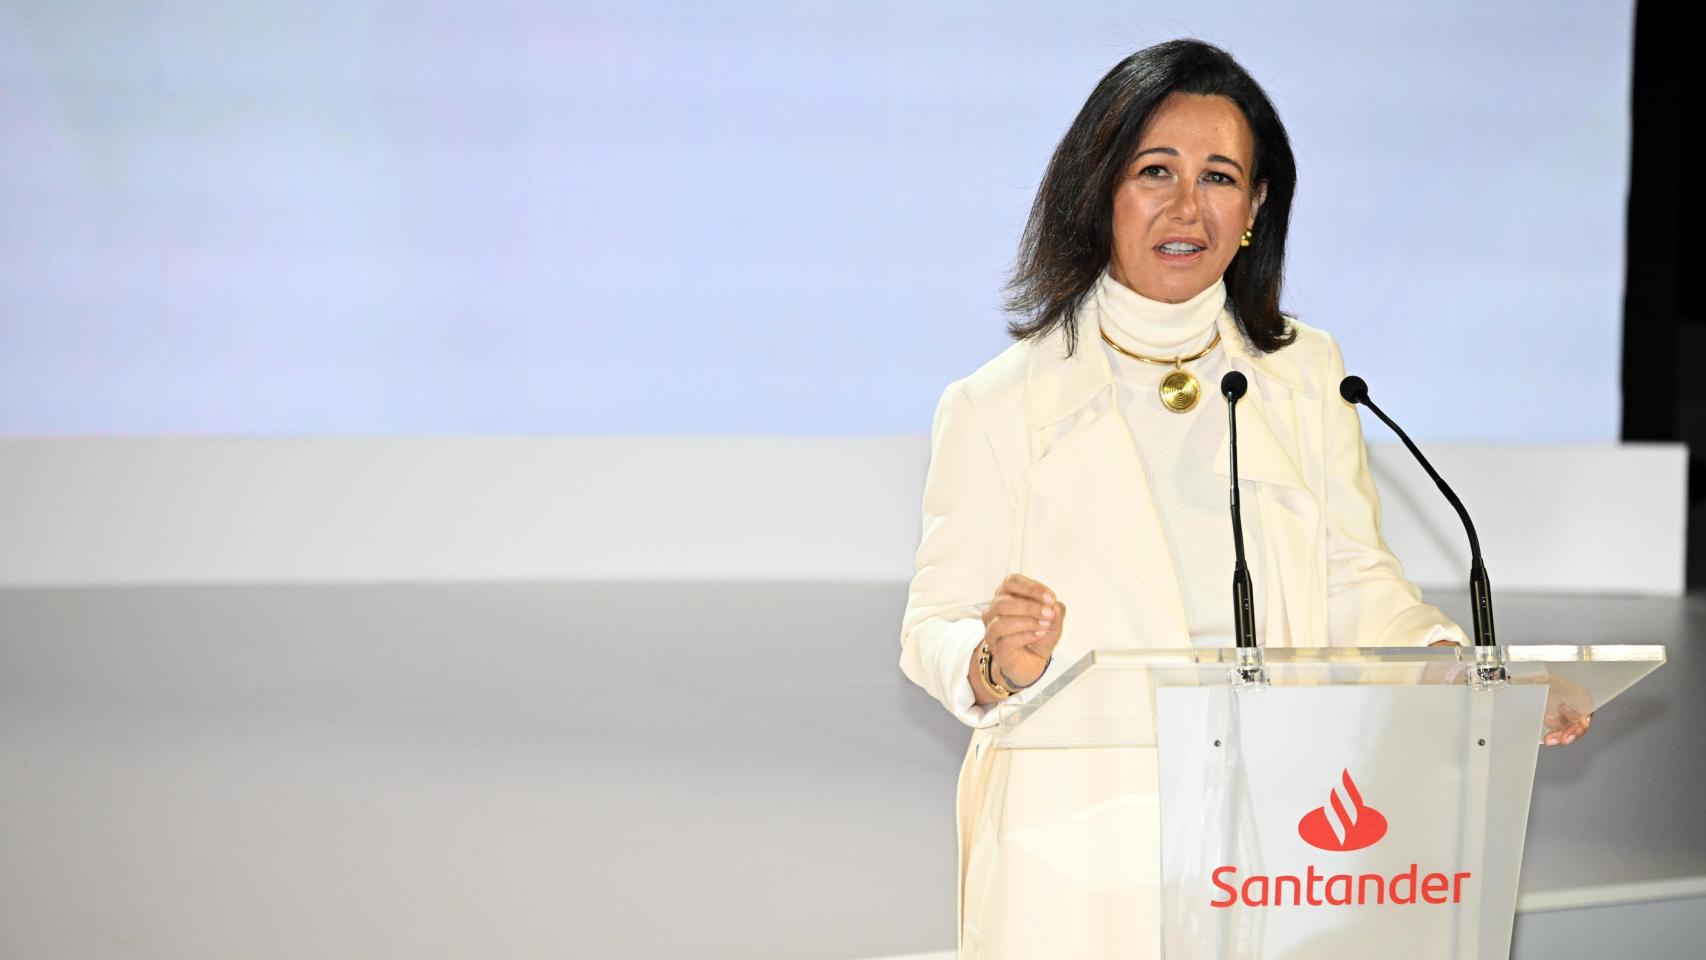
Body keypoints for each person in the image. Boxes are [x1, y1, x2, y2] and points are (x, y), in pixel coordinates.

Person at [897, 39, 1588, 956]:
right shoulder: (997, 404)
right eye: (1155, 171)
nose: (1187, 207)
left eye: (1219, 177)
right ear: (1099, 190)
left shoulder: (1307, 376)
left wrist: (1465, 675)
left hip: (1274, 848)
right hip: (1079, 855)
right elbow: (931, 627)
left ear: (1256, 207)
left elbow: (1355, 582)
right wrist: (996, 661)